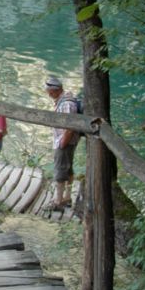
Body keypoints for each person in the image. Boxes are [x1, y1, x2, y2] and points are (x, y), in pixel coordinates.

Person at [45, 76, 80, 211]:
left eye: (50, 92)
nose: (48, 94)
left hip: (65, 142)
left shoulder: (66, 104)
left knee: (60, 170)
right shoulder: (64, 100)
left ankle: (58, 200)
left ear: (56, 90)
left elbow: (69, 127)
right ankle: (67, 197)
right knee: (68, 168)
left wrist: (62, 143)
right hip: (65, 141)